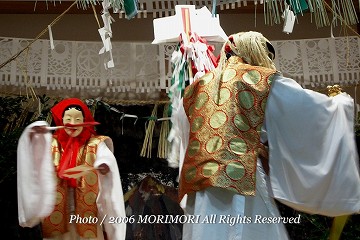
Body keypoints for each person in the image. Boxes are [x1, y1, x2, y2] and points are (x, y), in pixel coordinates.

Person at [168, 31, 360, 239]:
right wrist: (340, 103)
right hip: (242, 178)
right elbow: (303, 106)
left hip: (201, 191)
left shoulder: (194, 90)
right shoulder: (258, 80)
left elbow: (185, 136)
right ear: (255, 52)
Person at [17, 98, 126, 240]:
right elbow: (34, 159)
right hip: (59, 212)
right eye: (68, 118)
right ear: (61, 120)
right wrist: (35, 135)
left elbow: (105, 158)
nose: (73, 123)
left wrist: (104, 166)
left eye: (77, 119)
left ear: (85, 120)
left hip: (87, 212)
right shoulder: (51, 143)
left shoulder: (95, 144)